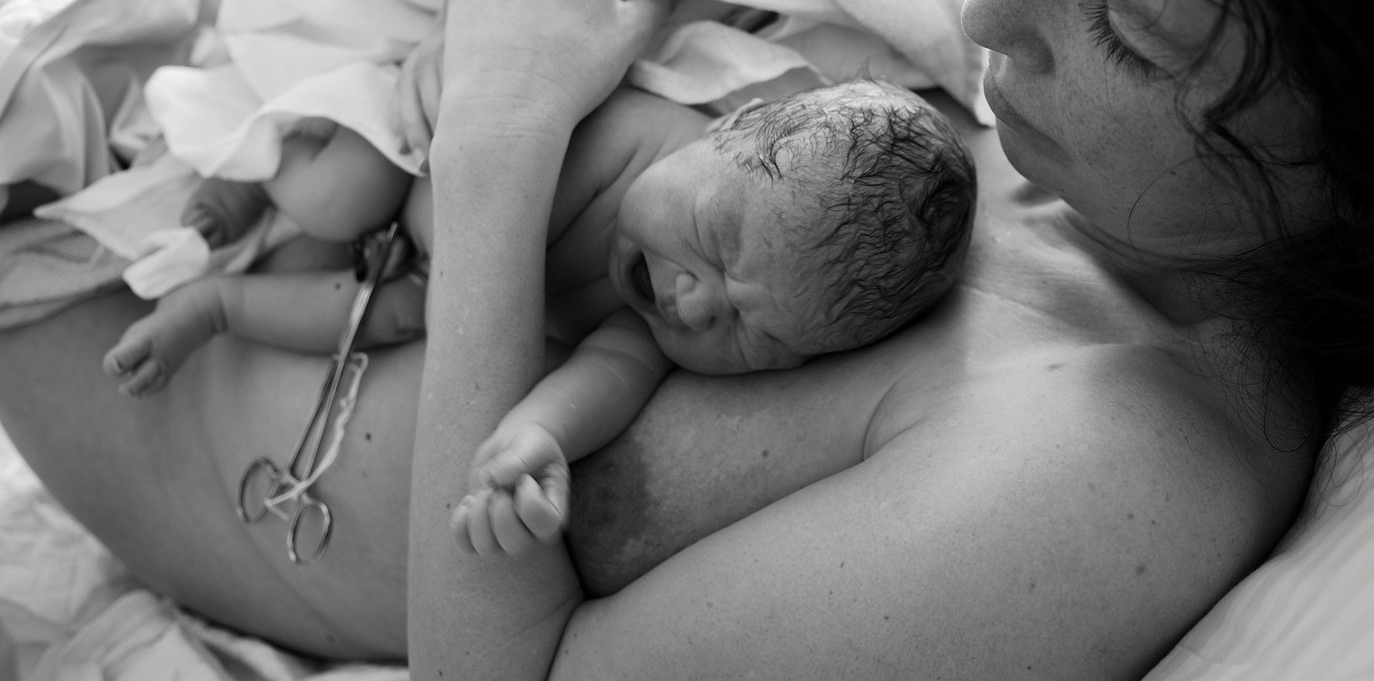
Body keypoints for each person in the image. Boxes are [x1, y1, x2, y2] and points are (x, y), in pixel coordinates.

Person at [0, 0, 1374, 676]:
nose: (987, 10)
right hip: (306, 89)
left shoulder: (1096, 471)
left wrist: (502, 139)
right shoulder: (1077, 107)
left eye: (1114, 21)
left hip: (85, 279)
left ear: (1367, 172)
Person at [98, 77, 976, 554]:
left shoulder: (657, 332)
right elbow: (496, 106)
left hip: (422, 276)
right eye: (712, 236)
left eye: (755, 332)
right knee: (336, 197)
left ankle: (211, 307)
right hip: (409, 164)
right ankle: (244, 162)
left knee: (384, 320)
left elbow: (603, 378)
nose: (692, 298)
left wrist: (531, 441)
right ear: (729, 124)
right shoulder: (636, 131)